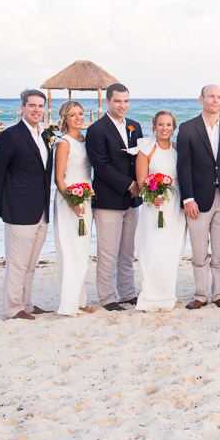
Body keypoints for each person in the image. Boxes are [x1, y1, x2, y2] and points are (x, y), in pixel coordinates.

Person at [0, 89, 55, 320]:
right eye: (32, 106)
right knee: (17, 263)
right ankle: (12, 308)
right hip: (18, 209)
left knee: (31, 263)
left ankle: (26, 304)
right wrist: (3, 204)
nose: (36, 110)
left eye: (40, 106)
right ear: (22, 108)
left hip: (41, 210)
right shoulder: (11, 135)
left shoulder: (45, 136)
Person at [177, 85, 220, 309]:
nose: (215, 100)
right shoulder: (187, 128)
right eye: (211, 96)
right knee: (199, 251)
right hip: (197, 199)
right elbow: (183, 166)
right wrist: (187, 199)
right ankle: (200, 295)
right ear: (201, 99)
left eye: (219, 97)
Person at [85, 82, 142, 311]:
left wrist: (141, 183)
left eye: (126, 101)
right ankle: (107, 298)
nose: (122, 105)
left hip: (132, 199)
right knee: (108, 253)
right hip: (108, 199)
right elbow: (101, 165)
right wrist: (129, 184)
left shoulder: (135, 126)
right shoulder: (97, 129)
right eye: (118, 101)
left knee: (128, 251)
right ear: (107, 101)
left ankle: (128, 292)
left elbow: (140, 157)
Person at [133, 111, 187, 312]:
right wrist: (152, 196)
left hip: (174, 205)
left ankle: (166, 295)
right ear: (154, 126)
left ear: (174, 127)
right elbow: (141, 182)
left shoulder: (176, 149)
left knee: (171, 249)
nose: (165, 128)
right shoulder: (146, 149)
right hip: (154, 205)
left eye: (168, 125)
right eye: (160, 124)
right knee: (152, 247)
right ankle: (151, 295)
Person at [52, 100, 96, 315]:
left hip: (85, 199)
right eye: (73, 115)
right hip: (69, 200)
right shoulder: (64, 142)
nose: (78, 118)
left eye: (80, 113)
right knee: (70, 250)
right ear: (65, 119)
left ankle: (80, 299)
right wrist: (72, 201)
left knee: (82, 250)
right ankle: (69, 303)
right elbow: (59, 178)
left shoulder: (85, 140)